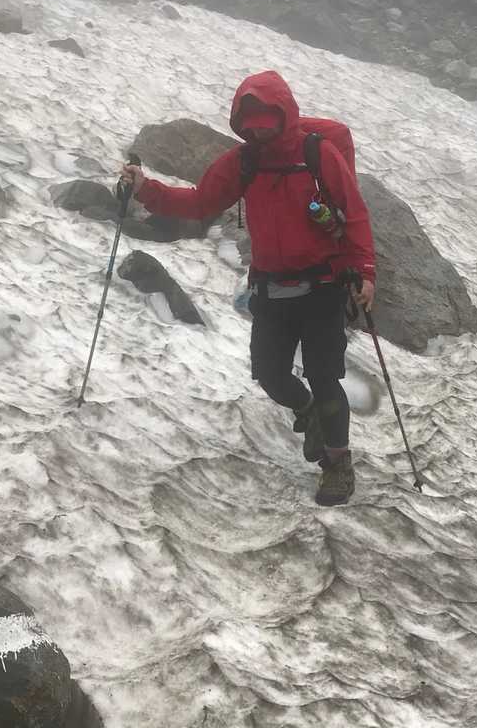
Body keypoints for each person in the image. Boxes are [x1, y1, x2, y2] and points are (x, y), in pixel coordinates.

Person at [121, 71, 376, 506]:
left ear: (284, 116)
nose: (258, 133)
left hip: (324, 286)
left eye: (266, 124)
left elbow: (353, 213)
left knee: (324, 376)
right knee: (271, 374)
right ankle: (308, 411)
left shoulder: (318, 155)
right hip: (272, 287)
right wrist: (147, 190)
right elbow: (201, 202)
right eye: (250, 125)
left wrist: (365, 271)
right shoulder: (245, 162)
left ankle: (338, 464)